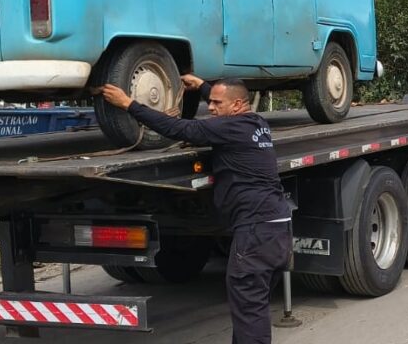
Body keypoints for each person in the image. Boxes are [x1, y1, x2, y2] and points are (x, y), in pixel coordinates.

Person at [97, 75, 291, 344]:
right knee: (251, 306)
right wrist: (201, 87)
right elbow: (227, 99)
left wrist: (129, 103)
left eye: (215, 103)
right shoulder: (255, 122)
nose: (210, 107)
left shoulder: (230, 127)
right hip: (276, 229)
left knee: (249, 308)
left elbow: (178, 129)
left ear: (236, 106)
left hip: (256, 233)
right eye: (209, 101)